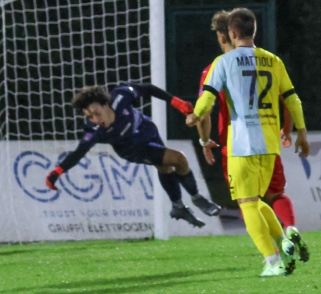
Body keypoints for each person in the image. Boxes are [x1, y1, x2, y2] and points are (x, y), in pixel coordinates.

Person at [186, 7, 310, 277]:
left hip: (241, 144)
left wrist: (195, 115)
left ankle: (272, 261)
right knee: (260, 201)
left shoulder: (224, 62)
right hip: (270, 146)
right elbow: (293, 99)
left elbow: (207, 99)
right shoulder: (273, 60)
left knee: (247, 203)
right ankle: (283, 241)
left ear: (231, 33)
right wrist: (301, 133)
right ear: (254, 31)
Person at [45, 82, 221, 228]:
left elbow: (148, 89)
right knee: (179, 159)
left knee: (165, 167)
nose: (96, 120)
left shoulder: (121, 96)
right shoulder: (95, 131)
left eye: (97, 113)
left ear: (105, 104)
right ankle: (196, 198)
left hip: (149, 131)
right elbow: (78, 153)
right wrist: (57, 172)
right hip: (134, 149)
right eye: (90, 117)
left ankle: (178, 207)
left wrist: (176, 102)